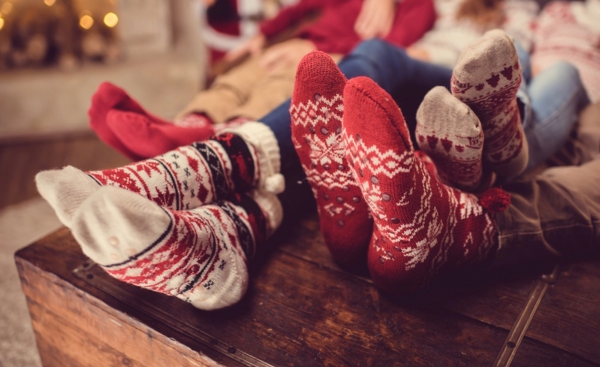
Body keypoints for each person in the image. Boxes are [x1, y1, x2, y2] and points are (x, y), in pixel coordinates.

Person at [35, 39, 600, 309]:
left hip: (459, 84)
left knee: (566, 70)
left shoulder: (528, 15)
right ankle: (217, 244)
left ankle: (201, 173)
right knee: (356, 102)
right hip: (400, 106)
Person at [90, 0, 438, 160]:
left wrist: (329, 55)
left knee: (276, 89)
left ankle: (226, 135)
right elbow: (298, 8)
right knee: (240, 78)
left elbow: (387, 49)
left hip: (327, 62)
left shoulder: (420, 6)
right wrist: (261, 36)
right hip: (294, 45)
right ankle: (188, 123)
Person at [530, 0, 600, 104]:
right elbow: (530, 51)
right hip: (532, 84)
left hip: (579, 98)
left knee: (563, 72)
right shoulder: (557, 10)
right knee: (513, 49)